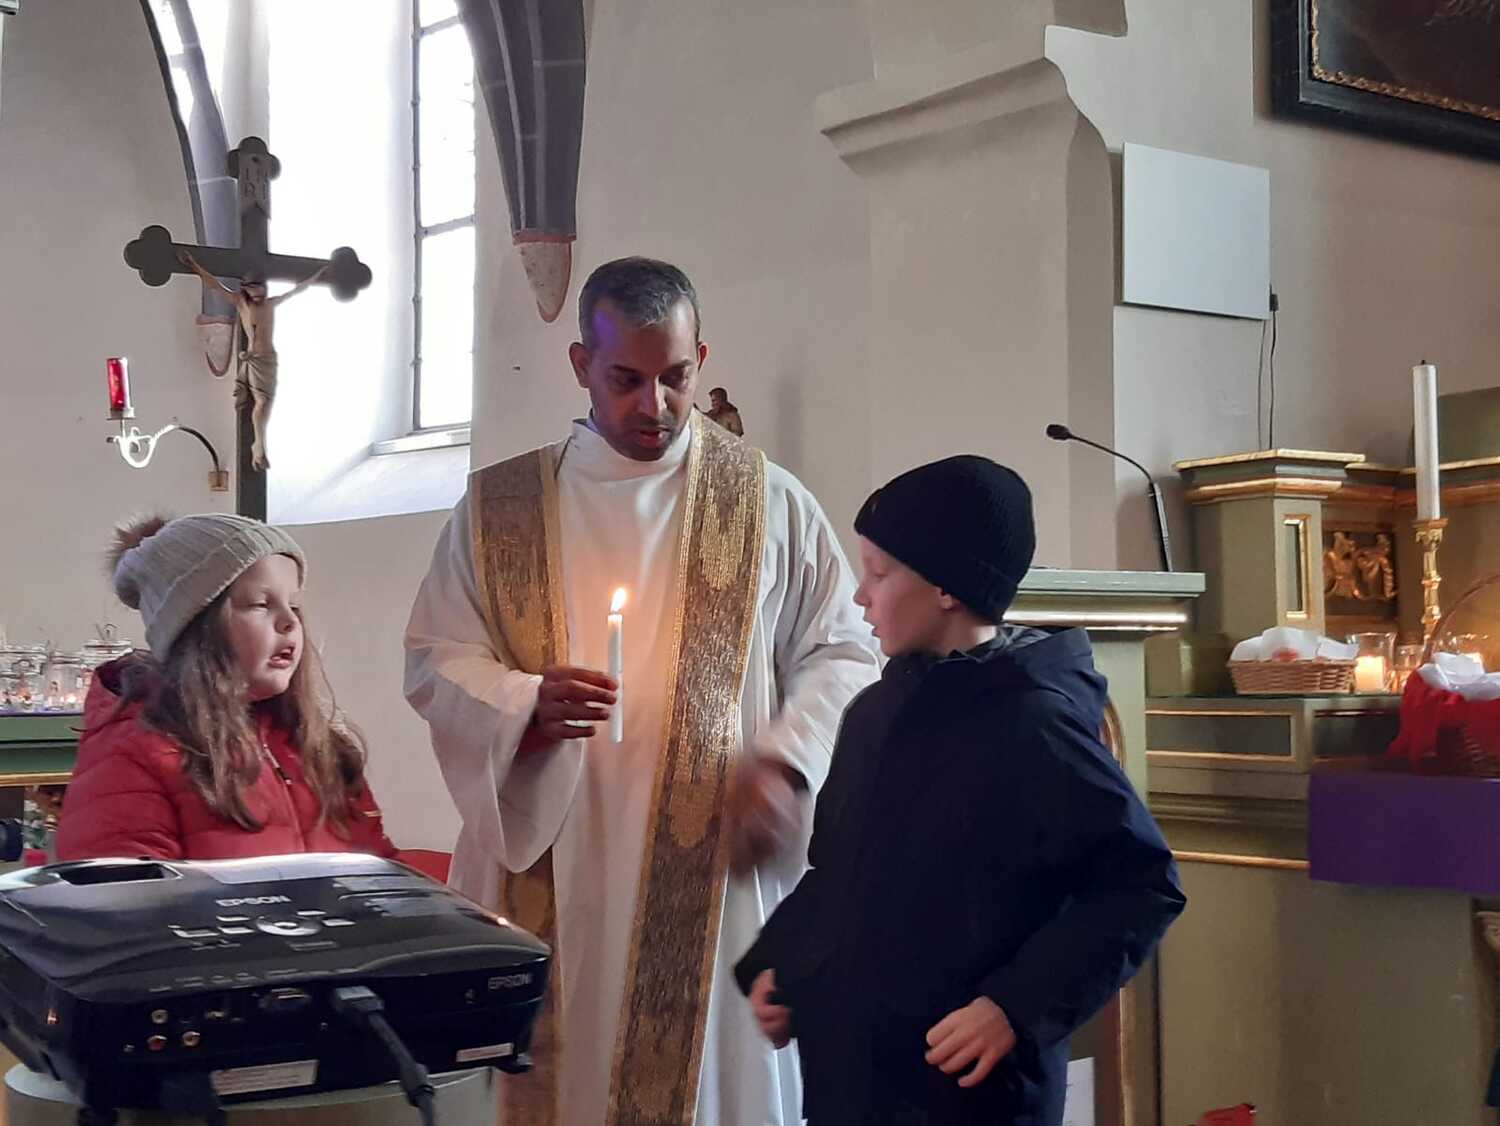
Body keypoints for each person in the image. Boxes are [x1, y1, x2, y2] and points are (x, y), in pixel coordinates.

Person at [404, 256, 880, 1125]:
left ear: (702, 359)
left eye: (676, 378)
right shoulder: (500, 509)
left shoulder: (767, 500)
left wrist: (785, 761)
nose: (653, 404)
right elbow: (436, 658)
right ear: (581, 365)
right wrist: (523, 705)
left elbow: (845, 648)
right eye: (625, 379)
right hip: (553, 855)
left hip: (716, 871)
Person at [735, 456, 1186, 1126]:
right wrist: (783, 965)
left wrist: (1013, 1008)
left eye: (879, 574)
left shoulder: (1034, 721)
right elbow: (842, 873)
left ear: (945, 587)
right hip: (859, 1082)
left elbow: (1140, 884)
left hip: (970, 1093)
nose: (860, 597)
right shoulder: (874, 712)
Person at [56, 513, 402, 864]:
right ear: (196, 628)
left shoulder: (316, 746)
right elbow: (123, 890)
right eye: (261, 604)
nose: (290, 621)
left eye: (294, 605)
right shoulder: (137, 754)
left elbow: (378, 868)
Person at [179, 251, 329, 470]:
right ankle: (259, 446)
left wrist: (318, 275)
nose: (259, 293)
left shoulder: (271, 303)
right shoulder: (240, 303)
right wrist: (194, 265)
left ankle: (259, 446)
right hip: (255, 359)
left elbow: (298, 289)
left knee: (266, 403)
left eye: (261, 288)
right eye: (254, 289)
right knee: (261, 403)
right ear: (246, 288)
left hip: (269, 359)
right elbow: (214, 285)